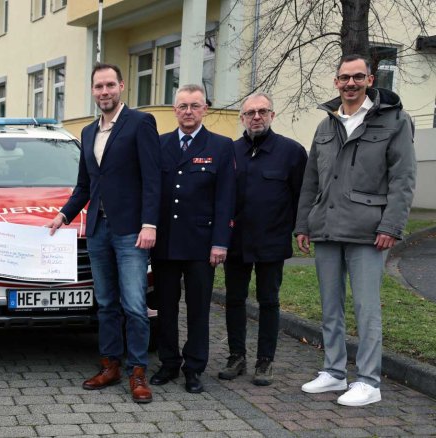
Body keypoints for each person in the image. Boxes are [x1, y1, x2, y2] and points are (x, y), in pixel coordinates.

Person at [296, 54, 416, 406]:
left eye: (358, 77)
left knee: (366, 308)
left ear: (370, 79)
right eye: (344, 77)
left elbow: (404, 178)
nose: (350, 83)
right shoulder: (325, 125)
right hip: (327, 228)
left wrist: (392, 225)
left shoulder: (394, 121)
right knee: (330, 305)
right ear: (336, 82)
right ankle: (334, 372)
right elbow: (311, 180)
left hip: (369, 230)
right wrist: (304, 223)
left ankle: (369, 381)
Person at [47, 63, 160, 403]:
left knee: (135, 305)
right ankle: (110, 365)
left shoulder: (140, 123)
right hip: (97, 230)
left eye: (110, 85)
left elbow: (153, 178)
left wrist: (149, 224)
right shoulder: (86, 132)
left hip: (130, 232)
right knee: (106, 303)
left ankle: (138, 372)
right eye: (98, 86)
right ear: (93, 91)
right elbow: (86, 185)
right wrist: (63, 215)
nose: (104, 92)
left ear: (121, 86)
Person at [149, 83, 235, 394]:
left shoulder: (221, 146)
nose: (188, 111)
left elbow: (226, 197)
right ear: (174, 110)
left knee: (198, 309)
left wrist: (220, 241)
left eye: (195, 106)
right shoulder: (159, 145)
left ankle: (194, 367)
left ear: (205, 109)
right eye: (183, 106)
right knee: (166, 308)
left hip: (201, 243)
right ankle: (169, 363)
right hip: (166, 242)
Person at [218, 93, 307, 386]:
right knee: (234, 300)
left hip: (272, 241)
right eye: (250, 113)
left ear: (272, 114)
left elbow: (301, 198)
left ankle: (265, 361)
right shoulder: (229, 152)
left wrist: (299, 230)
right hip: (236, 242)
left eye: (262, 111)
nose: (256, 117)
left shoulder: (292, 152)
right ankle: (237, 356)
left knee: (269, 301)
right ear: (242, 118)